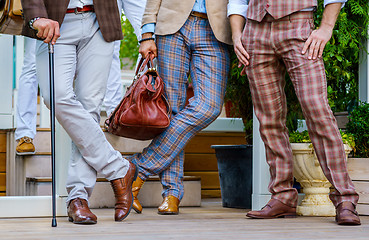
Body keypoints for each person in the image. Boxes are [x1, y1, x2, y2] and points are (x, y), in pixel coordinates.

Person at [228, 0, 361, 225]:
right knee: (268, 119)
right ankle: (282, 196)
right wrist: (236, 34)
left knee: (317, 111)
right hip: (255, 31)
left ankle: (345, 199)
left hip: (298, 26)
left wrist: (326, 27)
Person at [21, 0, 137, 224]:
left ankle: (78, 197)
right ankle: (119, 168)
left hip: (99, 21)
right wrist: (36, 17)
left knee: (89, 107)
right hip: (55, 22)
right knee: (56, 95)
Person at [129, 0, 233, 215]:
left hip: (216, 30)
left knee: (208, 107)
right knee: (171, 111)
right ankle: (172, 193)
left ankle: (137, 168)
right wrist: (147, 34)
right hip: (172, 25)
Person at [15, 0, 146, 155]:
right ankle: (25, 132)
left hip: (94, 15)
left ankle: (112, 115)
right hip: (48, 13)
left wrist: (146, 36)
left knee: (110, 58)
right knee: (33, 67)